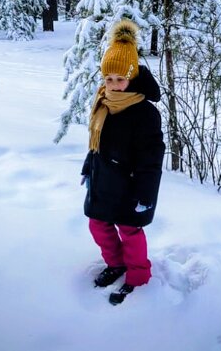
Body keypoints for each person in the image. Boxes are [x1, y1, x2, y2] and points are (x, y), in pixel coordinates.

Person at [81, 19, 165, 305]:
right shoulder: (103, 103)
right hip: (103, 179)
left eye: (120, 79)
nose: (114, 85)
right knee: (98, 225)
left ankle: (138, 276)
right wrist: (87, 168)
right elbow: (95, 142)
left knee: (129, 231)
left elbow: (152, 159)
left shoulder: (144, 112)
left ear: (131, 77)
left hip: (130, 186)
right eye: (108, 79)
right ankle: (116, 264)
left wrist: (145, 194)